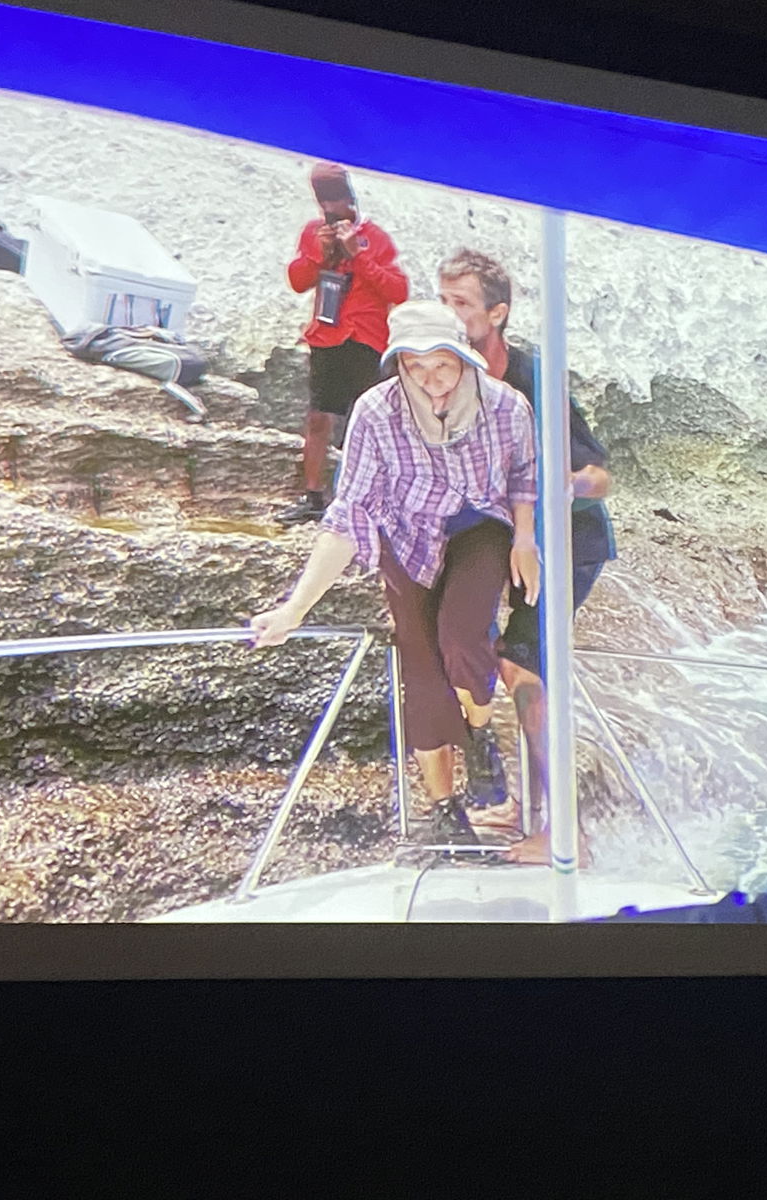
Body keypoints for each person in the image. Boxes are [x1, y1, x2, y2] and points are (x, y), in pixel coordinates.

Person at [251, 300, 539, 844]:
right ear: (399, 366)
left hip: (480, 526)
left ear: (465, 359)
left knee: (462, 637)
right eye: (416, 367)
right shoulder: (376, 412)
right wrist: (294, 609)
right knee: (422, 670)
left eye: (444, 366)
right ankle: (445, 812)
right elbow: (349, 514)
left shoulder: (507, 407)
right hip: (405, 536)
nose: (433, 382)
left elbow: (523, 472)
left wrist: (525, 538)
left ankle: (479, 737)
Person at [438, 249, 617, 865]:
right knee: (474, 649)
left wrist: (565, 487)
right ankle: (525, 805)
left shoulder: (535, 378)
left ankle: (566, 831)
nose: (449, 315)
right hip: (506, 544)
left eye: (460, 304)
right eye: (443, 301)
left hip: (570, 543)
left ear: (498, 313)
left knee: (522, 666)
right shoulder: (447, 377)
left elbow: (601, 475)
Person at [278, 163, 409, 525]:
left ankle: (368, 499)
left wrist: (359, 255)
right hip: (326, 335)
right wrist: (317, 255)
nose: (333, 211)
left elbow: (398, 291)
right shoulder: (313, 234)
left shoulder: (375, 238)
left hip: (366, 340)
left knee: (366, 423)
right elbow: (297, 281)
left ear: (351, 200)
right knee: (319, 418)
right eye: (326, 204)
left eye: (338, 202)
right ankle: (314, 496)